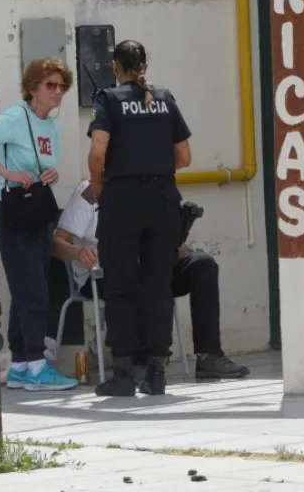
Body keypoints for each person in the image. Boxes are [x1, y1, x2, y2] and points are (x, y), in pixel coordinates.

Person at [52, 180, 250, 381]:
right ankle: (139, 361)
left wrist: (176, 242)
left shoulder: (153, 189)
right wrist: (78, 252)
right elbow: (58, 243)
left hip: (153, 267)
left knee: (202, 265)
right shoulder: (90, 191)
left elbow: (174, 244)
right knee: (136, 275)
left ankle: (209, 355)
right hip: (102, 275)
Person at [87, 39, 192, 397]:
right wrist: (155, 170)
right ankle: (157, 375)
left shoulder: (108, 99)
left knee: (119, 286)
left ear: (116, 67)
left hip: (122, 200)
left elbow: (97, 153)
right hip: (163, 200)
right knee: (158, 286)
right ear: (145, 65)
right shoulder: (164, 98)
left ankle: (122, 375)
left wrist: (102, 191)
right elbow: (184, 156)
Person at [0, 58, 78, 392]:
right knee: (35, 291)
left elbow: (43, 162)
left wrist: (50, 174)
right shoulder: (18, 117)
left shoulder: (50, 126)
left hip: (37, 211)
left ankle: (19, 364)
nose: (56, 92)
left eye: (61, 86)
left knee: (30, 285)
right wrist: (7, 174)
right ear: (33, 88)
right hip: (14, 211)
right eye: (50, 85)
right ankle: (37, 365)